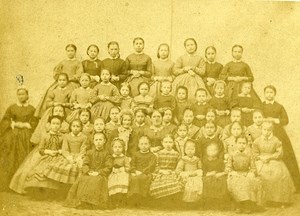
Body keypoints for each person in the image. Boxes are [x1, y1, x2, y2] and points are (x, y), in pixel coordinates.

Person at [261, 85, 300, 192]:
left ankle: (295, 185)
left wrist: (274, 120)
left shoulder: (279, 106)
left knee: (286, 155)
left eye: (271, 92)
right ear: (264, 94)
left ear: (274, 94)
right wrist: (265, 120)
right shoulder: (260, 106)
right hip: (264, 131)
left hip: (278, 132)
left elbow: (285, 120)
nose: (269, 94)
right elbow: (257, 117)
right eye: (267, 92)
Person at [0, 86, 37, 191]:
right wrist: (14, 124)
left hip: (26, 135)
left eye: (23, 94)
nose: (21, 96)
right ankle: (7, 185)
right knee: (10, 156)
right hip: (13, 135)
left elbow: (35, 122)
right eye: (19, 94)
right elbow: (4, 121)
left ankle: (21, 185)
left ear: (27, 95)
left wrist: (26, 125)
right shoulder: (12, 107)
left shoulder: (32, 109)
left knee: (25, 157)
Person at [64, 132, 113, 209]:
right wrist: (89, 171)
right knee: (83, 179)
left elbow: (109, 167)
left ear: (104, 141)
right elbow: (85, 164)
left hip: (100, 174)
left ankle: (93, 203)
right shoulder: (89, 152)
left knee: (97, 180)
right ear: (93, 141)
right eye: (96, 140)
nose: (98, 142)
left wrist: (98, 172)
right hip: (89, 172)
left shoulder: (107, 154)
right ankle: (83, 202)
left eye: (100, 139)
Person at [253, 121, 295, 206]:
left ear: (272, 130)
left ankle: (278, 200)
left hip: (273, 160)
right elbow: (254, 153)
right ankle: (264, 200)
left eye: (269, 130)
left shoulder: (276, 140)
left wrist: (270, 157)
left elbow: (279, 153)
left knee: (279, 174)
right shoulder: (257, 141)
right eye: (264, 130)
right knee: (259, 174)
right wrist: (261, 158)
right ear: (261, 129)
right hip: (261, 160)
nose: (266, 132)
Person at [35, 44, 83, 118]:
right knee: (51, 90)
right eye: (68, 51)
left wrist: (70, 78)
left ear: (75, 52)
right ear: (66, 52)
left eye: (72, 51)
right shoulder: (63, 62)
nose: (70, 52)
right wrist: (60, 78)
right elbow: (56, 72)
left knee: (73, 93)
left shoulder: (78, 62)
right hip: (62, 81)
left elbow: (79, 74)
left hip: (72, 82)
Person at [20, 116, 64, 194]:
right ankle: (38, 190)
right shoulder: (45, 135)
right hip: (46, 156)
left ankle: (51, 190)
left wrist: (59, 151)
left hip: (57, 157)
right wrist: (48, 152)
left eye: (58, 124)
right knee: (40, 169)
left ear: (60, 125)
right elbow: (41, 149)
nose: (55, 126)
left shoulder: (62, 137)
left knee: (54, 169)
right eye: (53, 123)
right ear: (49, 125)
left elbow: (64, 148)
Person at [226, 135, 265, 214]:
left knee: (249, 181)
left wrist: (250, 173)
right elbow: (228, 167)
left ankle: (247, 205)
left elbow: (253, 168)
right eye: (239, 143)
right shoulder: (232, 154)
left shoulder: (249, 155)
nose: (241, 145)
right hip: (235, 174)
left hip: (246, 173)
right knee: (236, 182)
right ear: (236, 144)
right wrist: (233, 172)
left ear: (246, 144)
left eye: (244, 143)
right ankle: (239, 205)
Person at [43, 119, 87, 184]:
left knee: (78, 167)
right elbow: (65, 149)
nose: (75, 128)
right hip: (69, 155)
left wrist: (79, 157)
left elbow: (83, 149)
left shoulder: (84, 137)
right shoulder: (67, 136)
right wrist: (69, 157)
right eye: (74, 126)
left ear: (81, 128)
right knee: (65, 166)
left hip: (79, 156)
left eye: (78, 126)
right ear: (70, 127)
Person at [149, 135, 182, 200]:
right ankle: (162, 202)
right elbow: (156, 166)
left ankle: (171, 202)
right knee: (156, 186)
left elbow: (178, 167)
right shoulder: (158, 154)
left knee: (175, 184)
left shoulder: (177, 154)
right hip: (160, 173)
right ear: (162, 143)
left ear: (173, 143)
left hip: (172, 173)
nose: (168, 144)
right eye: (166, 142)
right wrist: (161, 171)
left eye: (170, 142)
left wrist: (173, 172)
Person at [128, 136, 156, 207]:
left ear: (150, 145)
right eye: (142, 144)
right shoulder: (135, 154)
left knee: (143, 178)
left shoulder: (152, 155)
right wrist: (134, 171)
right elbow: (132, 164)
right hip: (136, 172)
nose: (144, 146)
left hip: (146, 173)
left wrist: (142, 172)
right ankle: (134, 199)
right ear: (138, 145)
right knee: (133, 178)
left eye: (146, 144)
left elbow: (151, 166)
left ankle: (143, 199)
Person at [202, 142, 230, 209]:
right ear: (206, 151)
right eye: (210, 150)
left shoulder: (220, 161)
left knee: (221, 182)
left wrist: (220, 174)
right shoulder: (205, 161)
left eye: (214, 150)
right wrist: (210, 173)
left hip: (219, 176)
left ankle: (219, 202)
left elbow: (224, 170)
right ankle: (209, 202)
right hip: (208, 176)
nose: (212, 152)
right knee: (207, 181)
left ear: (217, 151)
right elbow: (203, 171)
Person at [108, 138, 130, 209]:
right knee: (112, 181)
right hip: (113, 173)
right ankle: (114, 200)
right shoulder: (110, 157)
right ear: (112, 148)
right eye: (115, 147)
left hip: (122, 173)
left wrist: (123, 169)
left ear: (123, 148)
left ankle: (121, 200)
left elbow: (128, 167)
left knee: (123, 180)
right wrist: (113, 169)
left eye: (120, 147)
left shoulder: (125, 158)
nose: (117, 149)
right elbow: (108, 166)